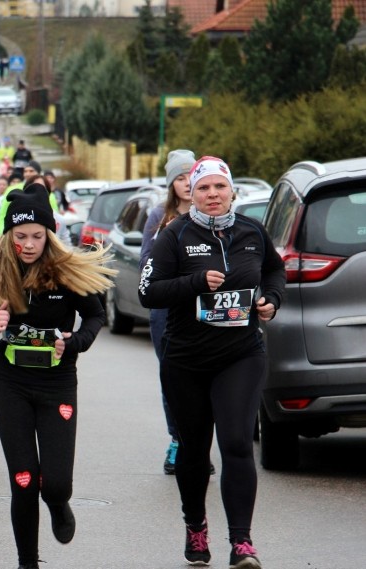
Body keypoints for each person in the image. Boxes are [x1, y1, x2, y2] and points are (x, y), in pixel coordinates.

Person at [138, 156, 285, 569]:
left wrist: (271, 301)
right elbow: (149, 291)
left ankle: (242, 543)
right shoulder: (174, 235)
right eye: (204, 188)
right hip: (186, 359)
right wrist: (195, 283)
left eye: (220, 187)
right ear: (192, 193)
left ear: (232, 191)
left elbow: (275, 272)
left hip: (240, 354)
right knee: (195, 451)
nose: (212, 194)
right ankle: (196, 526)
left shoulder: (252, 231)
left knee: (237, 442)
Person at [0, 185, 115, 569]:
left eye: (37, 236)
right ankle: (27, 562)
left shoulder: (65, 272)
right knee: (22, 479)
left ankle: (58, 503)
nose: (29, 244)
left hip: (57, 383)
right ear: (8, 237)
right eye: (20, 237)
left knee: (55, 483)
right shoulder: (1, 273)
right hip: (11, 384)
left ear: (49, 235)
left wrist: (76, 341)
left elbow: (96, 315)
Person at [138, 149, 196, 474]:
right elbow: (146, 261)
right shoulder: (158, 216)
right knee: (171, 377)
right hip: (165, 309)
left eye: (191, 176)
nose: (187, 183)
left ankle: (197, 442)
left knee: (202, 377)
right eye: (180, 178)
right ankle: (178, 440)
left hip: (201, 309)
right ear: (171, 183)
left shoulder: (210, 212)